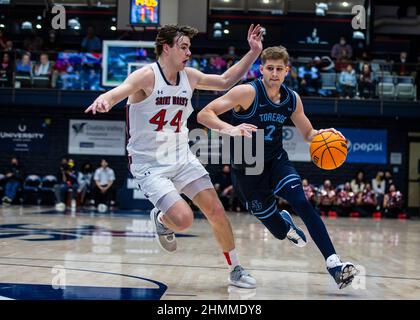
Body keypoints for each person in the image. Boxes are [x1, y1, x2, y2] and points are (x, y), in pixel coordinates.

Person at [85, 24, 264, 289]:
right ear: (166, 48)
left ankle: (235, 269)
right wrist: (105, 100)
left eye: (189, 47)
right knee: (184, 220)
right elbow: (119, 92)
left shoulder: (189, 77)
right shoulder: (145, 77)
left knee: (215, 210)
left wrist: (254, 52)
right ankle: (161, 219)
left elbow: (226, 81)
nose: (188, 52)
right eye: (183, 47)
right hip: (149, 163)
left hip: (181, 157)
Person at [197, 46, 359, 289]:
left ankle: (334, 264)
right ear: (261, 69)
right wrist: (231, 129)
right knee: (278, 231)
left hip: (275, 161)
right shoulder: (246, 92)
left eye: (279, 69)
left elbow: (308, 133)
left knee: (301, 201)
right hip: (247, 166)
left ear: (287, 71)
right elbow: (204, 114)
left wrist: (325, 134)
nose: (274, 73)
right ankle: (283, 224)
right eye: (269, 68)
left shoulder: (292, 99)